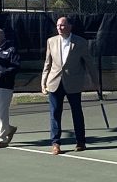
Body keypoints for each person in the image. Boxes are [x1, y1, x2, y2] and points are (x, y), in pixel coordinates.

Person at [41, 16, 97, 154]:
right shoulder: (51, 41)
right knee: (55, 113)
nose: (59, 28)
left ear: (69, 26)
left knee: (77, 113)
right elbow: (47, 64)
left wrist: (96, 82)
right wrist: (43, 82)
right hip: (54, 83)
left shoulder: (80, 42)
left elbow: (89, 63)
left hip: (74, 83)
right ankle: (55, 143)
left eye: (63, 25)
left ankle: (81, 142)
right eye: (58, 25)